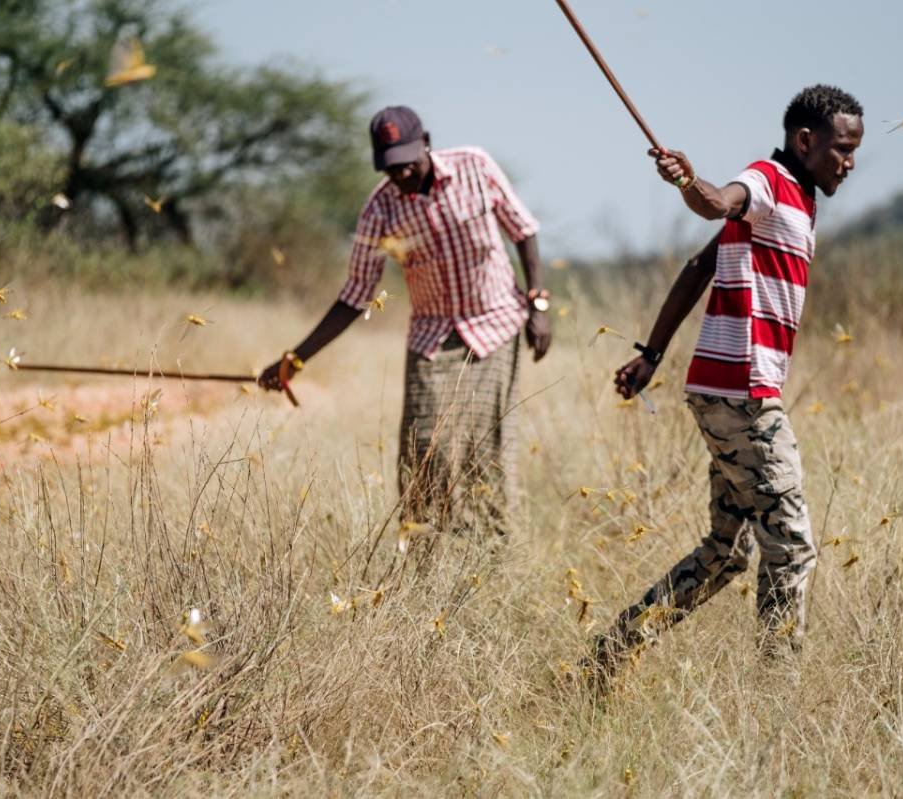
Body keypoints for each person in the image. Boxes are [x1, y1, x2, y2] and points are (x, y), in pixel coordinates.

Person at [591, 85, 865, 681]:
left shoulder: (799, 203)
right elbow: (720, 200)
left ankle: (606, 659)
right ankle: (774, 702)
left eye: (854, 151)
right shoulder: (768, 181)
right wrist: (690, 182)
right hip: (743, 396)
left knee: (728, 552)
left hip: (729, 390)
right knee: (790, 547)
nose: (849, 162)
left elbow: (699, 266)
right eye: (841, 149)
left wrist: (651, 354)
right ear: (806, 141)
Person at [258, 106, 550, 532]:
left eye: (408, 164)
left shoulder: (475, 166)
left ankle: (490, 550)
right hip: (432, 336)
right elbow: (356, 295)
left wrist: (538, 303)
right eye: (390, 168)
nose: (401, 176)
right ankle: (423, 553)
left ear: (426, 142)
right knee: (423, 448)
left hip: (496, 323)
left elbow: (523, 230)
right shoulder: (380, 210)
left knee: (482, 450)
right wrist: (295, 358)